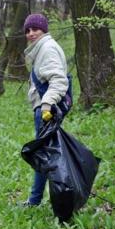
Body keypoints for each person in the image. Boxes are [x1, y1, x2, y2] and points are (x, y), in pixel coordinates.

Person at [22, 13, 71, 207]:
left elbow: (59, 80)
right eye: (28, 30)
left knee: (45, 156)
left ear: (44, 29)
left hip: (46, 110)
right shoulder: (41, 49)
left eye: (35, 29)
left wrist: (46, 104)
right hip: (45, 109)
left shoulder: (47, 48)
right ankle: (36, 200)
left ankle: (58, 198)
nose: (31, 33)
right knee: (44, 154)